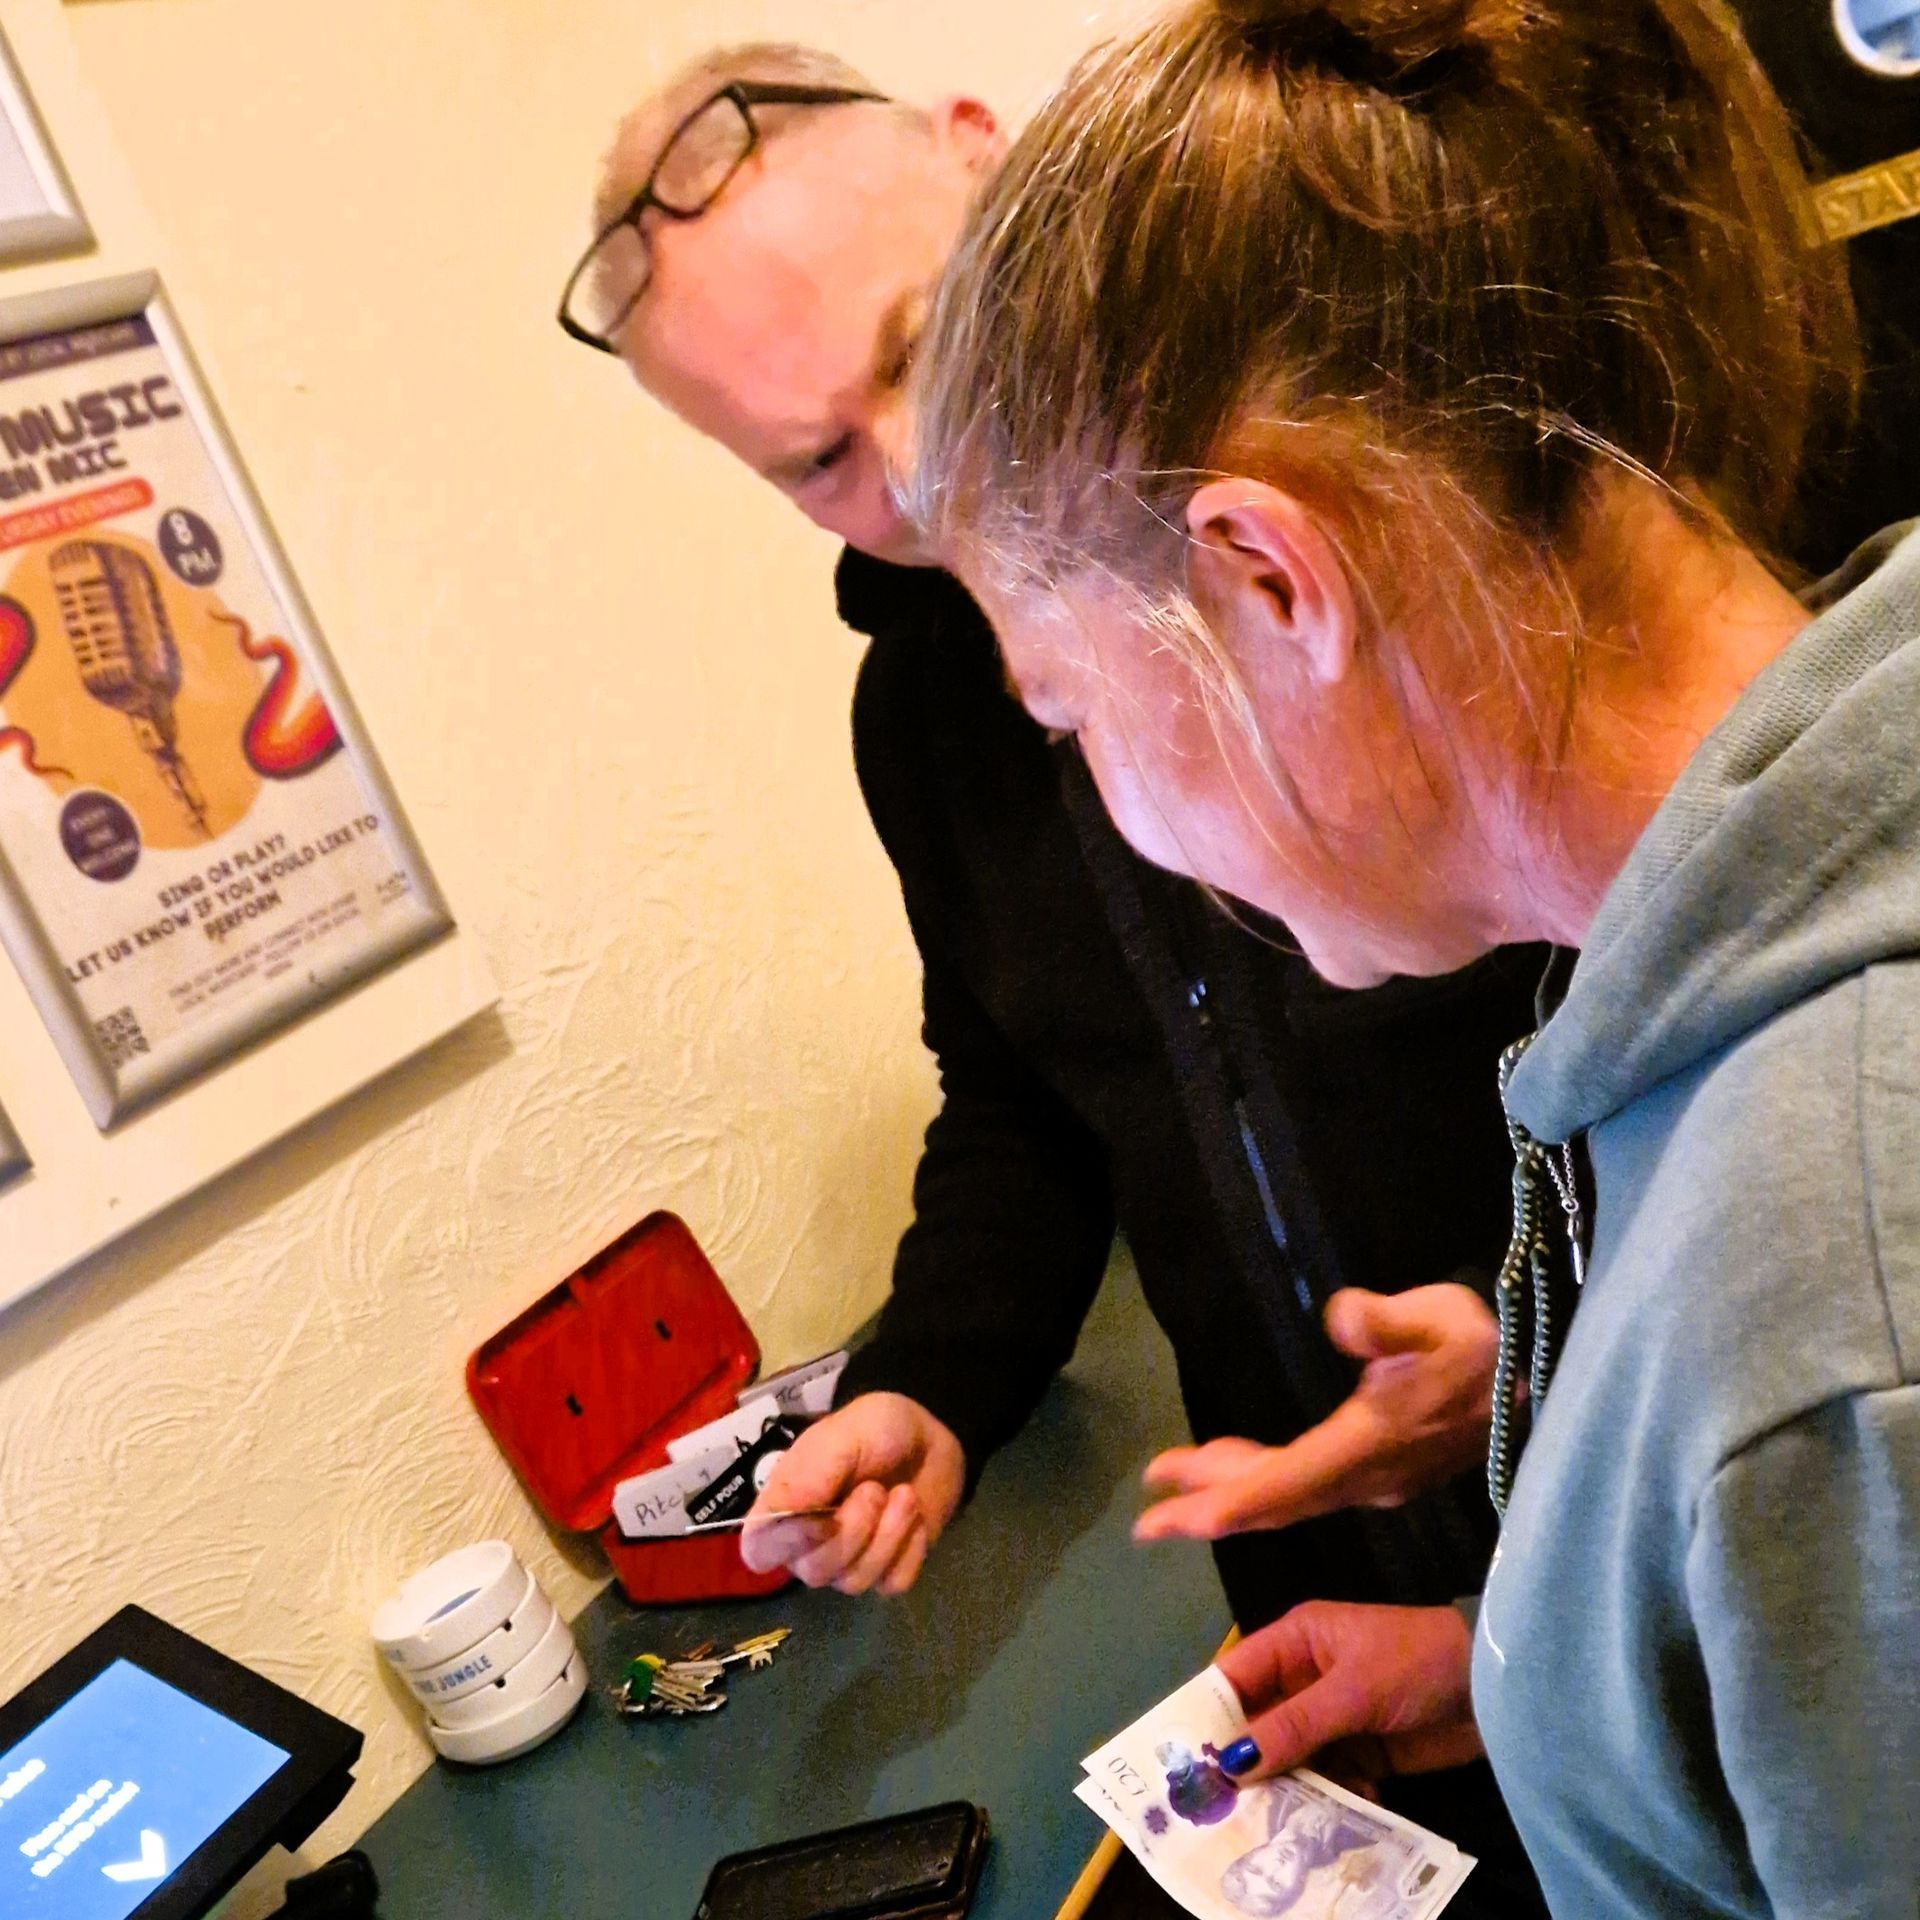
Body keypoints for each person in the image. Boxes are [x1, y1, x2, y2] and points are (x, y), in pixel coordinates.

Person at [906, 0, 1917, 1913]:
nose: (1115, 809)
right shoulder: (1768, 913)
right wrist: (1562, 1648)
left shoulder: (1843, 1318)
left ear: (1272, 582)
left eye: (1078, 715)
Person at [561, 43, 1550, 1902]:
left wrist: (1564, 1375)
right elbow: (1025, 1092)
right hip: (1315, 1538)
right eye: (819, 462)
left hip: (1639, 1435)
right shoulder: (921, 712)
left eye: (925, 339)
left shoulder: (1394, 466)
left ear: (988, 155)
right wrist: (933, 1380)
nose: (928, 463)